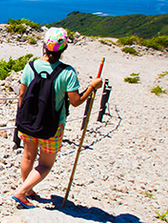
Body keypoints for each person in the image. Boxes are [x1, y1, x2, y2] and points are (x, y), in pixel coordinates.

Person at [12, 27, 102, 209]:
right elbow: (76, 102)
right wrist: (92, 87)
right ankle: (22, 192)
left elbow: (21, 95)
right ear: (64, 48)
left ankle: (27, 189)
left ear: (44, 45)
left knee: (28, 156)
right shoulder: (68, 72)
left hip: (28, 120)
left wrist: (22, 117)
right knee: (45, 164)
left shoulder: (30, 66)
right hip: (53, 125)